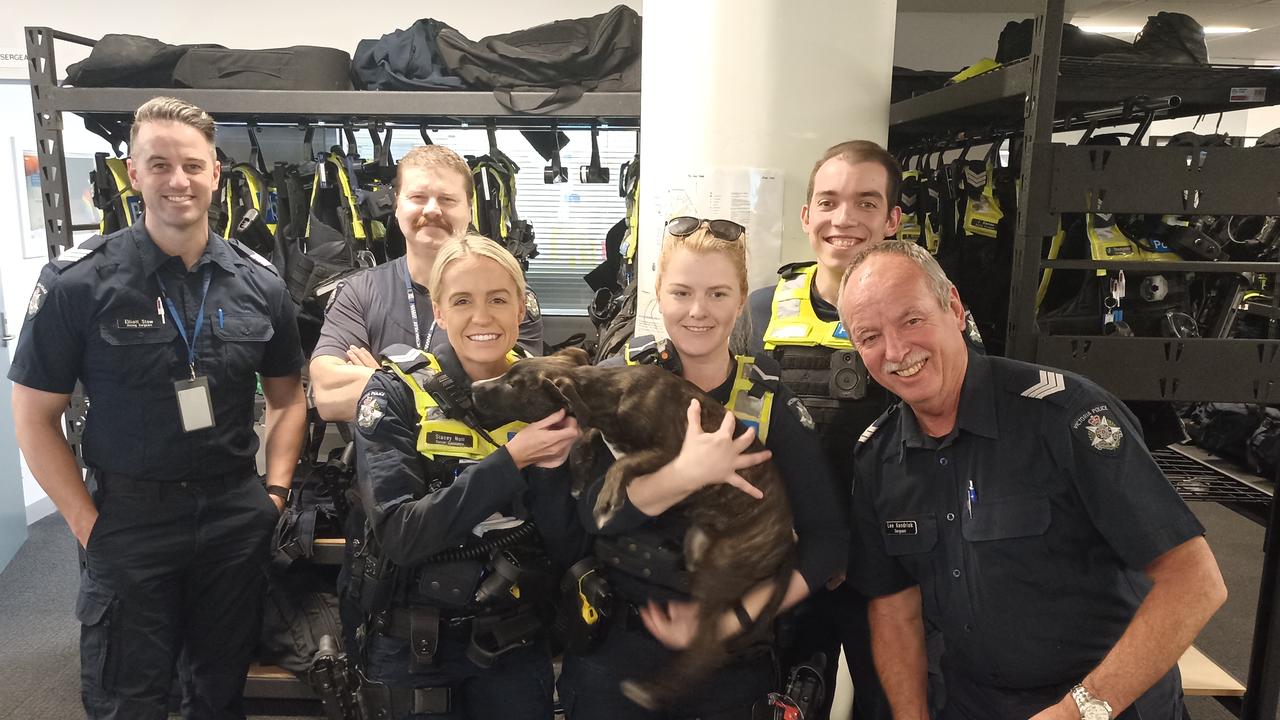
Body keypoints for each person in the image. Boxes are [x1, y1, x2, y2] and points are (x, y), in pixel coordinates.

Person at [839, 240, 1228, 720]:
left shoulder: (1067, 417)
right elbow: (895, 609)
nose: (896, 351)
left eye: (911, 320)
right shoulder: (878, 457)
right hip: (973, 703)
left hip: (1106, 704)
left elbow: (1195, 581)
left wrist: (1078, 709)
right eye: (870, 336)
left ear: (955, 308)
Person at [9, 96, 307, 719]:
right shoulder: (77, 283)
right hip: (129, 518)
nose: (179, 180)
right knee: (129, 697)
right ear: (132, 172)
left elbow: (287, 399)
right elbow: (35, 417)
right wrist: (86, 522)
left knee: (220, 691)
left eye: (194, 165)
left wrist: (272, 496)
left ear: (216, 174)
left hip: (232, 516)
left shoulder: (261, 282)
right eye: (160, 164)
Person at [558, 217, 849, 719]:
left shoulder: (769, 404)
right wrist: (686, 474)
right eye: (681, 292)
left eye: (718, 294)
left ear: (741, 299)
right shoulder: (617, 383)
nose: (698, 311)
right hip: (614, 660)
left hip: (729, 671)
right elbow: (593, 515)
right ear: (658, 293)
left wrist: (732, 620)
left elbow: (827, 542)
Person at [350, 233, 582, 719]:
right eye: (462, 301)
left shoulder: (556, 393)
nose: (482, 317)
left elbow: (567, 548)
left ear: (522, 309)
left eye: (499, 299)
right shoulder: (394, 393)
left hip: (515, 644)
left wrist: (553, 474)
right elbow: (400, 533)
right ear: (439, 311)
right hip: (415, 646)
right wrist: (512, 461)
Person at [745, 140, 905, 720]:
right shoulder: (759, 310)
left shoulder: (925, 311)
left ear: (893, 220)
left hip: (890, 567)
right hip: (791, 561)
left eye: (866, 203)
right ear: (807, 215)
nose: (845, 219)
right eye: (829, 202)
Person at [311, 144, 544, 424]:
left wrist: (383, 385)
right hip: (383, 463)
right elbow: (328, 397)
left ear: (469, 210)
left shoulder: (507, 297)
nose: (432, 210)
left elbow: (513, 398)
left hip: (489, 464)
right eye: (418, 197)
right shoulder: (358, 293)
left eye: (447, 199)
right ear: (397, 206)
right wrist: (449, 394)